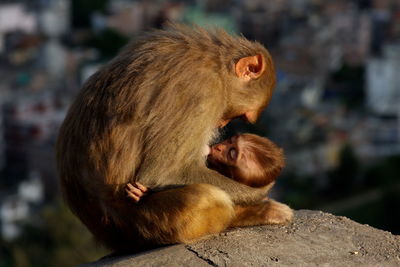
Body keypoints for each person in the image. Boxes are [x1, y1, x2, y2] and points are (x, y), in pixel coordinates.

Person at [126, 133, 284, 201]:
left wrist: (152, 196)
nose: (221, 147)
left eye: (231, 154)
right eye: (230, 141)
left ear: (235, 180)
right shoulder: (201, 150)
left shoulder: (211, 192)